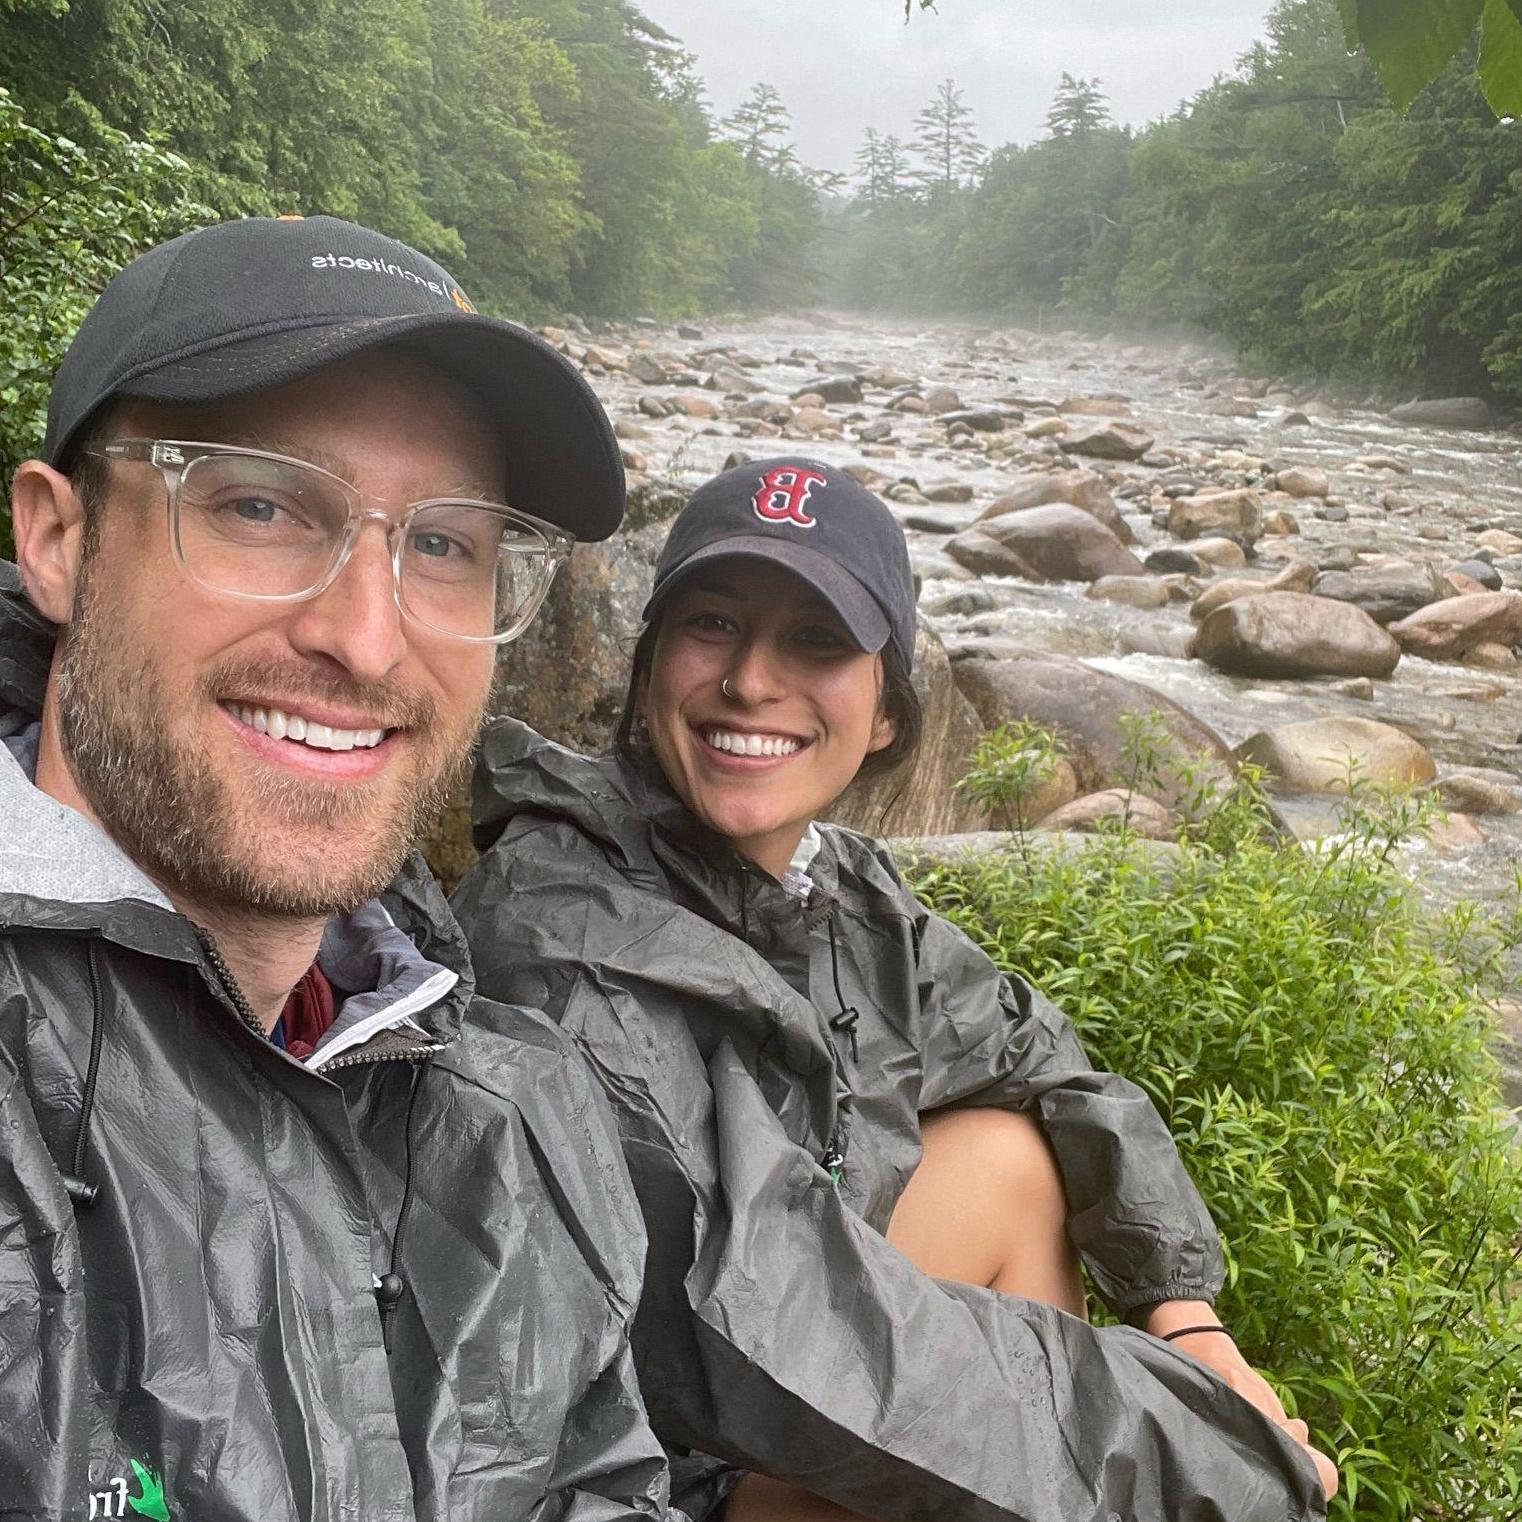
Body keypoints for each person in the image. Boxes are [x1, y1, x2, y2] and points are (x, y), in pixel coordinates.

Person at [453, 457, 1340, 1522]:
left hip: (756, 1381)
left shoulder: (837, 892)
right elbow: (756, 1314)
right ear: (649, 673)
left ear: (885, 714)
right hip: (611, 1455)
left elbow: (1045, 1059)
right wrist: (1199, 1454)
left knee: (1011, 1160)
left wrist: (1185, 1318)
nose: (751, 681)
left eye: (816, 640)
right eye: (713, 624)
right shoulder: (561, 927)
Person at [0, 214, 674, 1521]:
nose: (366, 639)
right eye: (259, 505)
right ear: (59, 540)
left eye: (444, 544)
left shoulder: (518, 1111)